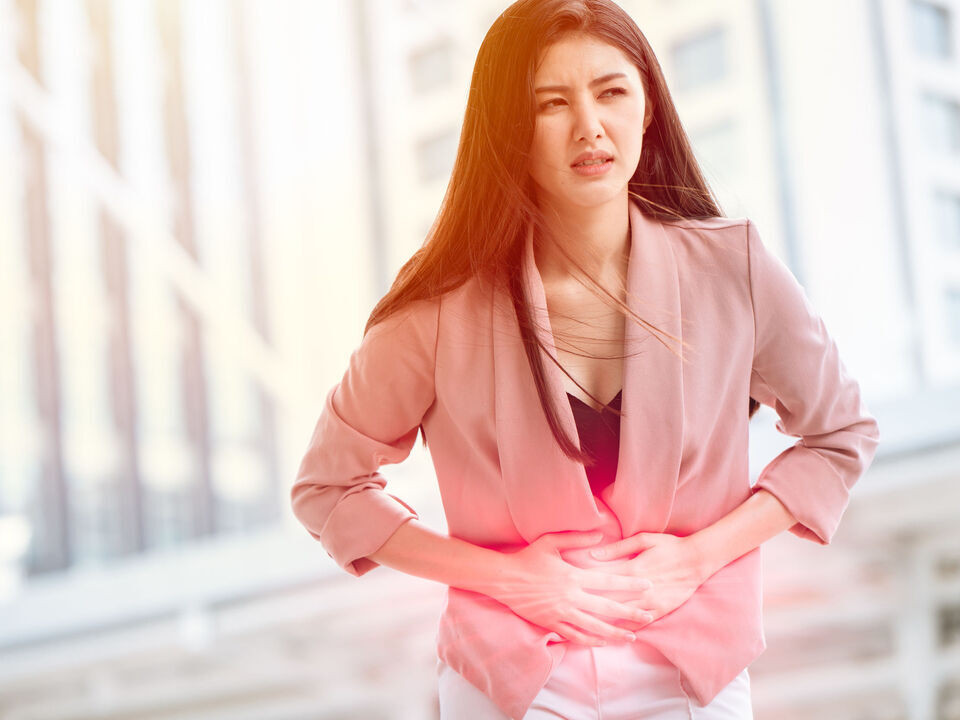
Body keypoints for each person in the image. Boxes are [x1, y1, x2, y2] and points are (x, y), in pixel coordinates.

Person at [290, 1, 881, 718]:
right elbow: (327, 488)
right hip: (509, 675)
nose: (589, 128)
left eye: (611, 92)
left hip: (694, 663)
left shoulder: (735, 269)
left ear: (648, 111)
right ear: (512, 129)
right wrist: (508, 579)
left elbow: (841, 435)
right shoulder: (440, 308)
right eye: (551, 103)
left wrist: (694, 560)